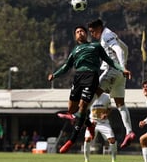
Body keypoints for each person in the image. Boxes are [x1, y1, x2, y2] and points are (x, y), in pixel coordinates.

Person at [48, 25, 131, 153]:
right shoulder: (75, 50)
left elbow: (110, 61)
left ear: (86, 34)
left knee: (83, 106)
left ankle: (72, 139)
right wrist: (55, 75)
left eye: (82, 31)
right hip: (78, 78)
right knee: (71, 109)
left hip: (91, 77)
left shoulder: (96, 46)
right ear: (75, 36)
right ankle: (89, 124)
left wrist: (122, 68)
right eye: (77, 32)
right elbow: (66, 67)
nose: (80, 33)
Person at [86, 18, 135, 149]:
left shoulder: (106, 35)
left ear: (99, 28)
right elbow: (126, 48)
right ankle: (129, 132)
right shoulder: (110, 34)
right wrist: (123, 67)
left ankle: (78, 115)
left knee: (94, 93)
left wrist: (122, 66)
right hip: (119, 74)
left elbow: (119, 50)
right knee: (120, 104)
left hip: (113, 70)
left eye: (92, 31)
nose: (92, 34)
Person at [81, 93, 117, 162]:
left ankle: (114, 160)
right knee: (87, 139)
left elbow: (109, 108)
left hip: (103, 123)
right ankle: (86, 160)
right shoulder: (90, 96)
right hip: (92, 122)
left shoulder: (106, 97)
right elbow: (83, 108)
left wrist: (106, 114)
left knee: (112, 140)